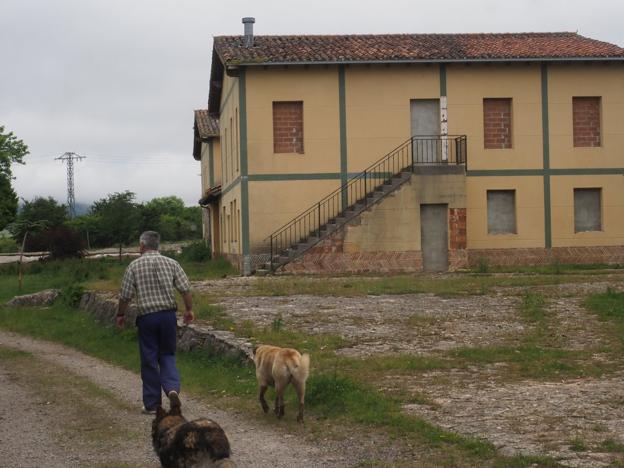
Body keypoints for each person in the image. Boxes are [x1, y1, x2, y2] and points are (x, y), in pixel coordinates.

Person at [116, 231, 194, 414]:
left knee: (149, 358)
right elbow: (185, 289)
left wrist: (120, 314)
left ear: (142, 246)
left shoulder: (134, 266)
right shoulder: (171, 263)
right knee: (167, 354)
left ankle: (152, 404)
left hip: (147, 318)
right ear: (157, 245)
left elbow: (125, 295)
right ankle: (172, 389)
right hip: (168, 316)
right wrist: (189, 310)